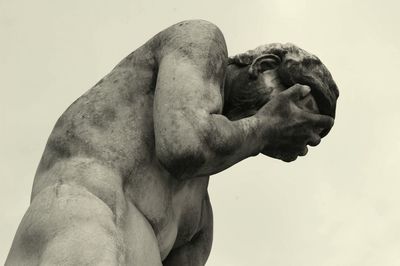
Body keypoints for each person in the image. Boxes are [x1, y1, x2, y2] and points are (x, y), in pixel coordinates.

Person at [6, 20, 338, 266]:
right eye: (292, 108)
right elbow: (184, 147)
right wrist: (267, 126)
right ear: (262, 67)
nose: (287, 129)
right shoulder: (199, 42)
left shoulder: (198, 221)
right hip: (77, 229)